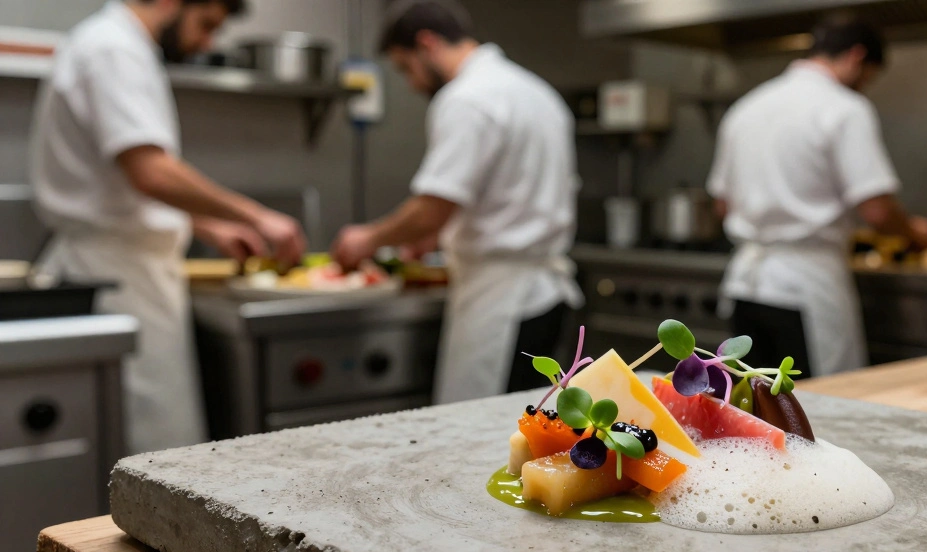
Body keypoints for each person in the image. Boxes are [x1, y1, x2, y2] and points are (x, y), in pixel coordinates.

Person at [30, 0, 308, 454]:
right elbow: (151, 172)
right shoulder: (113, 50)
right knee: (150, 447)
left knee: (152, 440)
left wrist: (207, 226)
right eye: (206, 24)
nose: (208, 42)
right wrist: (257, 216)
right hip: (118, 280)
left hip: (126, 269)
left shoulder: (117, 45)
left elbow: (123, 180)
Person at [331, 0, 582, 405]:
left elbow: (433, 207)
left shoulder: (467, 98)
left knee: (482, 433)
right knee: (531, 428)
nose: (412, 83)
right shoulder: (536, 91)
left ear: (426, 44)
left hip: (501, 300)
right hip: (548, 297)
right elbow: (506, 191)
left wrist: (367, 239)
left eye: (405, 67)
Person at [707, 16, 927, 377]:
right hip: (806, 286)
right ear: (857, 57)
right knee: (817, 411)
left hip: (745, 286)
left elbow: (722, 205)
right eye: (869, 77)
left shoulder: (746, 107)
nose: (864, 86)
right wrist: (915, 234)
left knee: (753, 407)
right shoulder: (844, 108)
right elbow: (876, 210)